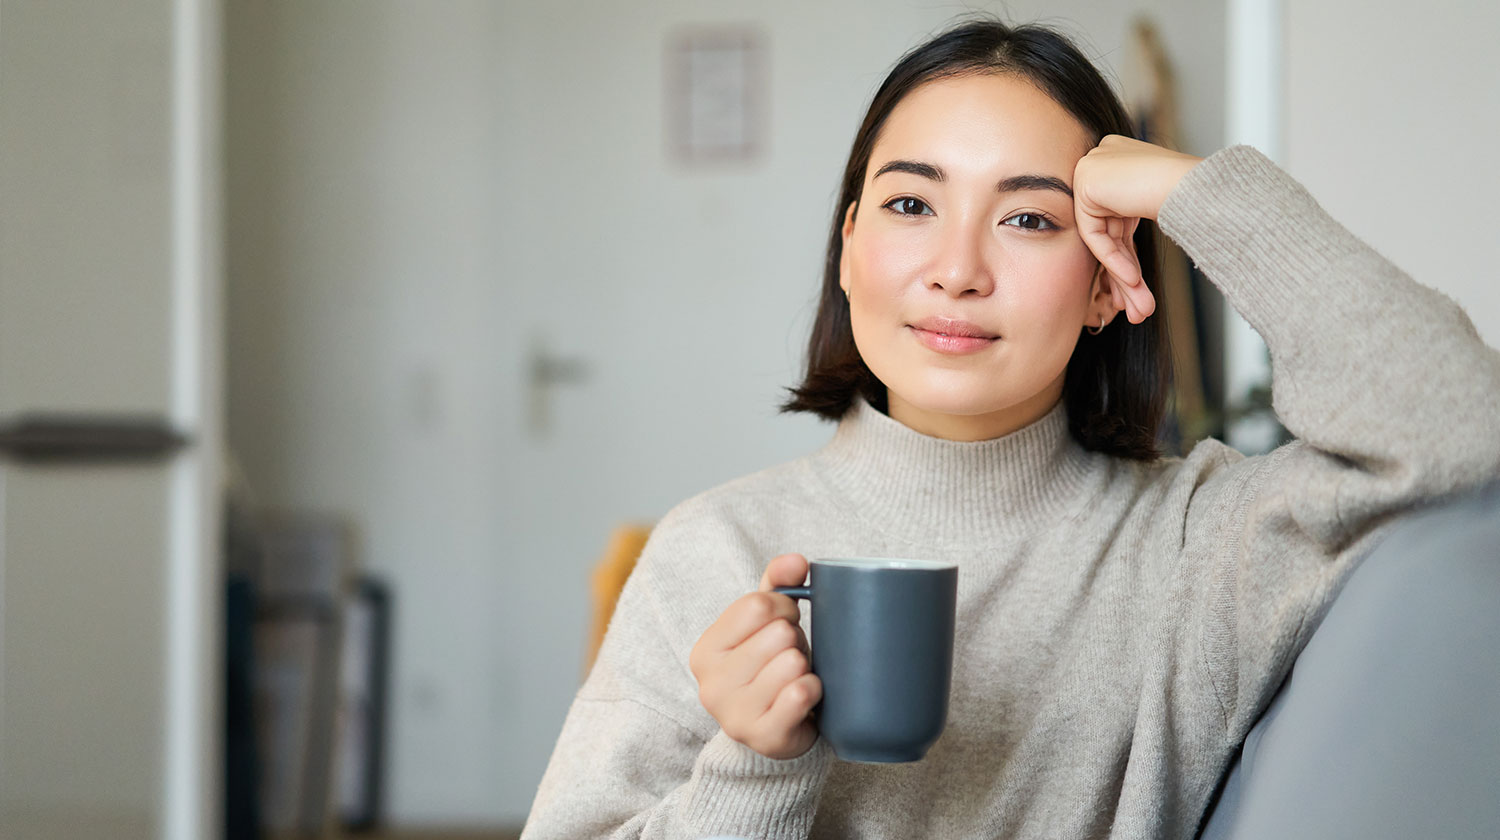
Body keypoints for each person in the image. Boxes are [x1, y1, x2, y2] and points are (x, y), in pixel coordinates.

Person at [521, 17, 1500, 840]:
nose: (957, 271)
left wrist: (1199, 193)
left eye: (1029, 219)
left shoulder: (1199, 545)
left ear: (1108, 285)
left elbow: (1461, 423)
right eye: (911, 204)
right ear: (850, 248)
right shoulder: (718, 551)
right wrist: (754, 765)